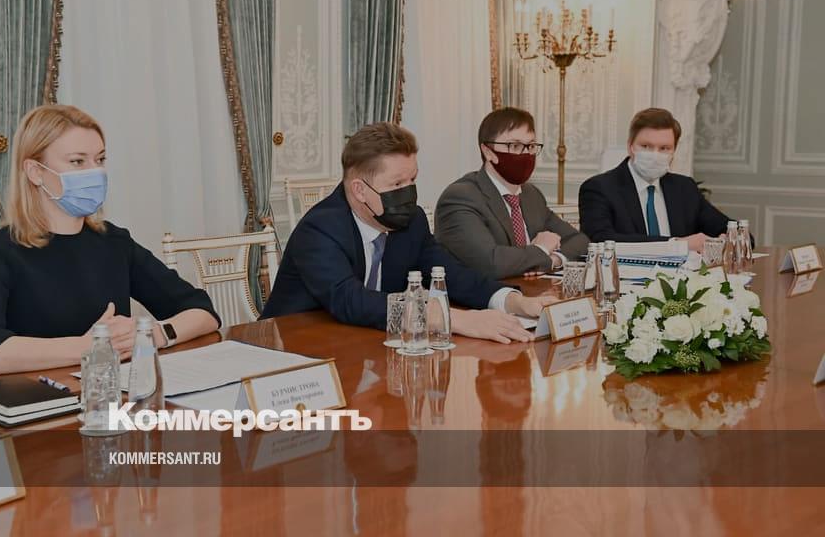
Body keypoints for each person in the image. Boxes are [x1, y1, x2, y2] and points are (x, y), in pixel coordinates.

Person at [0, 105, 220, 377]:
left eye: (100, 159)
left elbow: (202, 311)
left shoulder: (114, 242)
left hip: (109, 395)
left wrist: (155, 334)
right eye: (77, 161)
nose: (95, 172)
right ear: (35, 172)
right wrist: (88, 347)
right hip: (35, 401)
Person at [260, 122, 557, 344]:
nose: (408, 193)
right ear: (360, 190)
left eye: (412, 180)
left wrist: (512, 301)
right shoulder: (320, 228)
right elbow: (350, 301)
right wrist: (452, 319)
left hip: (366, 342)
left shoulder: (411, 221)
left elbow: (450, 273)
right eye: (396, 184)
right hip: (293, 351)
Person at [435, 107, 589, 278]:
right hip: (487, 294)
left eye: (531, 146)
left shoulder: (531, 194)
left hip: (533, 289)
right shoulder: (461, 197)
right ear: (488, 151)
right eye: (515, 146)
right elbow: (492, 263)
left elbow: (579, 241)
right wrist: (541, 249)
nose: (526, 154)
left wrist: (554, 260)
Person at [579, 108, 742, 252]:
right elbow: (600, 241)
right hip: (626, 276)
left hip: (682, 276)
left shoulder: (684, 188)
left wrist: (727, 240)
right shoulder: (599, 188)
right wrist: (678, 245)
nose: (655, 155)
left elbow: (736, 232)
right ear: (630, 147)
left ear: (673, 152)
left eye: (664, 148)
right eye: (646, 146)